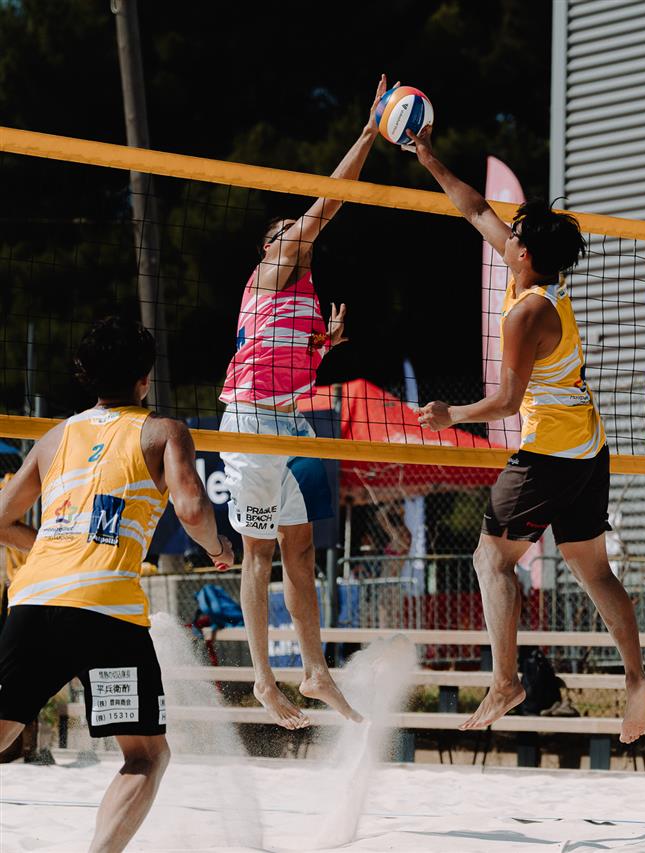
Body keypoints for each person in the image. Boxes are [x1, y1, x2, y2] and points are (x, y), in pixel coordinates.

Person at [405, 123, 645, 743]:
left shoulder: (528, 313)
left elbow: (507, 402)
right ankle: (636, 679)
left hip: (550, 454)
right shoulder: (538, 281)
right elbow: (475, 209)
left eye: (515, 234)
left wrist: (451, 415)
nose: (507, 233)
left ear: (523, 254)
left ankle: (505, 681)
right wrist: (428, 157)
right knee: (594, 570)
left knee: (490, 558)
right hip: (587, 447)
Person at [0, 317, 232, 853]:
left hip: (33, 601)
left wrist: (52, 548)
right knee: (146, 755)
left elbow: (0, 518)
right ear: (144, 380)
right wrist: (220, 550)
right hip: (105, 612)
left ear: (86, 375)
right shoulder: (164, 431)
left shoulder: (54, 436)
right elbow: (192, 510)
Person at [218, 76, 390, 728]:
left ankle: (315, 670)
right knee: (258, 553)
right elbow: (331, 200)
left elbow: (283, 360)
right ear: (271, 247)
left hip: (285, 421)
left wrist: (323, 347)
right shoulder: (273, 267)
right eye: (287, 230)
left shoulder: (303, 297)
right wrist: (368, 131)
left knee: (301, 549)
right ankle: (264, 680)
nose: (297, 233)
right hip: (251, 424)